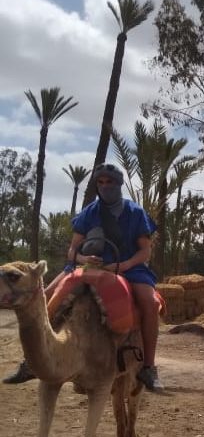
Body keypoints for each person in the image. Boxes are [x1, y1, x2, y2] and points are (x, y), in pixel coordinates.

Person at [2, 163, 164, 392]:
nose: (105, 186)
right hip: (88, 266)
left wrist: (123, 264)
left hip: (128, 268)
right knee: (46, 295)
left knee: (150, 302)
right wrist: (81, 258)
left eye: (110, 182)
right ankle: (31, 363)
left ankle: (148, 367)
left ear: (119, 184)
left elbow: (145, 251)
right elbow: (72, 250)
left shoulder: (135, 213)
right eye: (101, 182)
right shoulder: (90, 212)